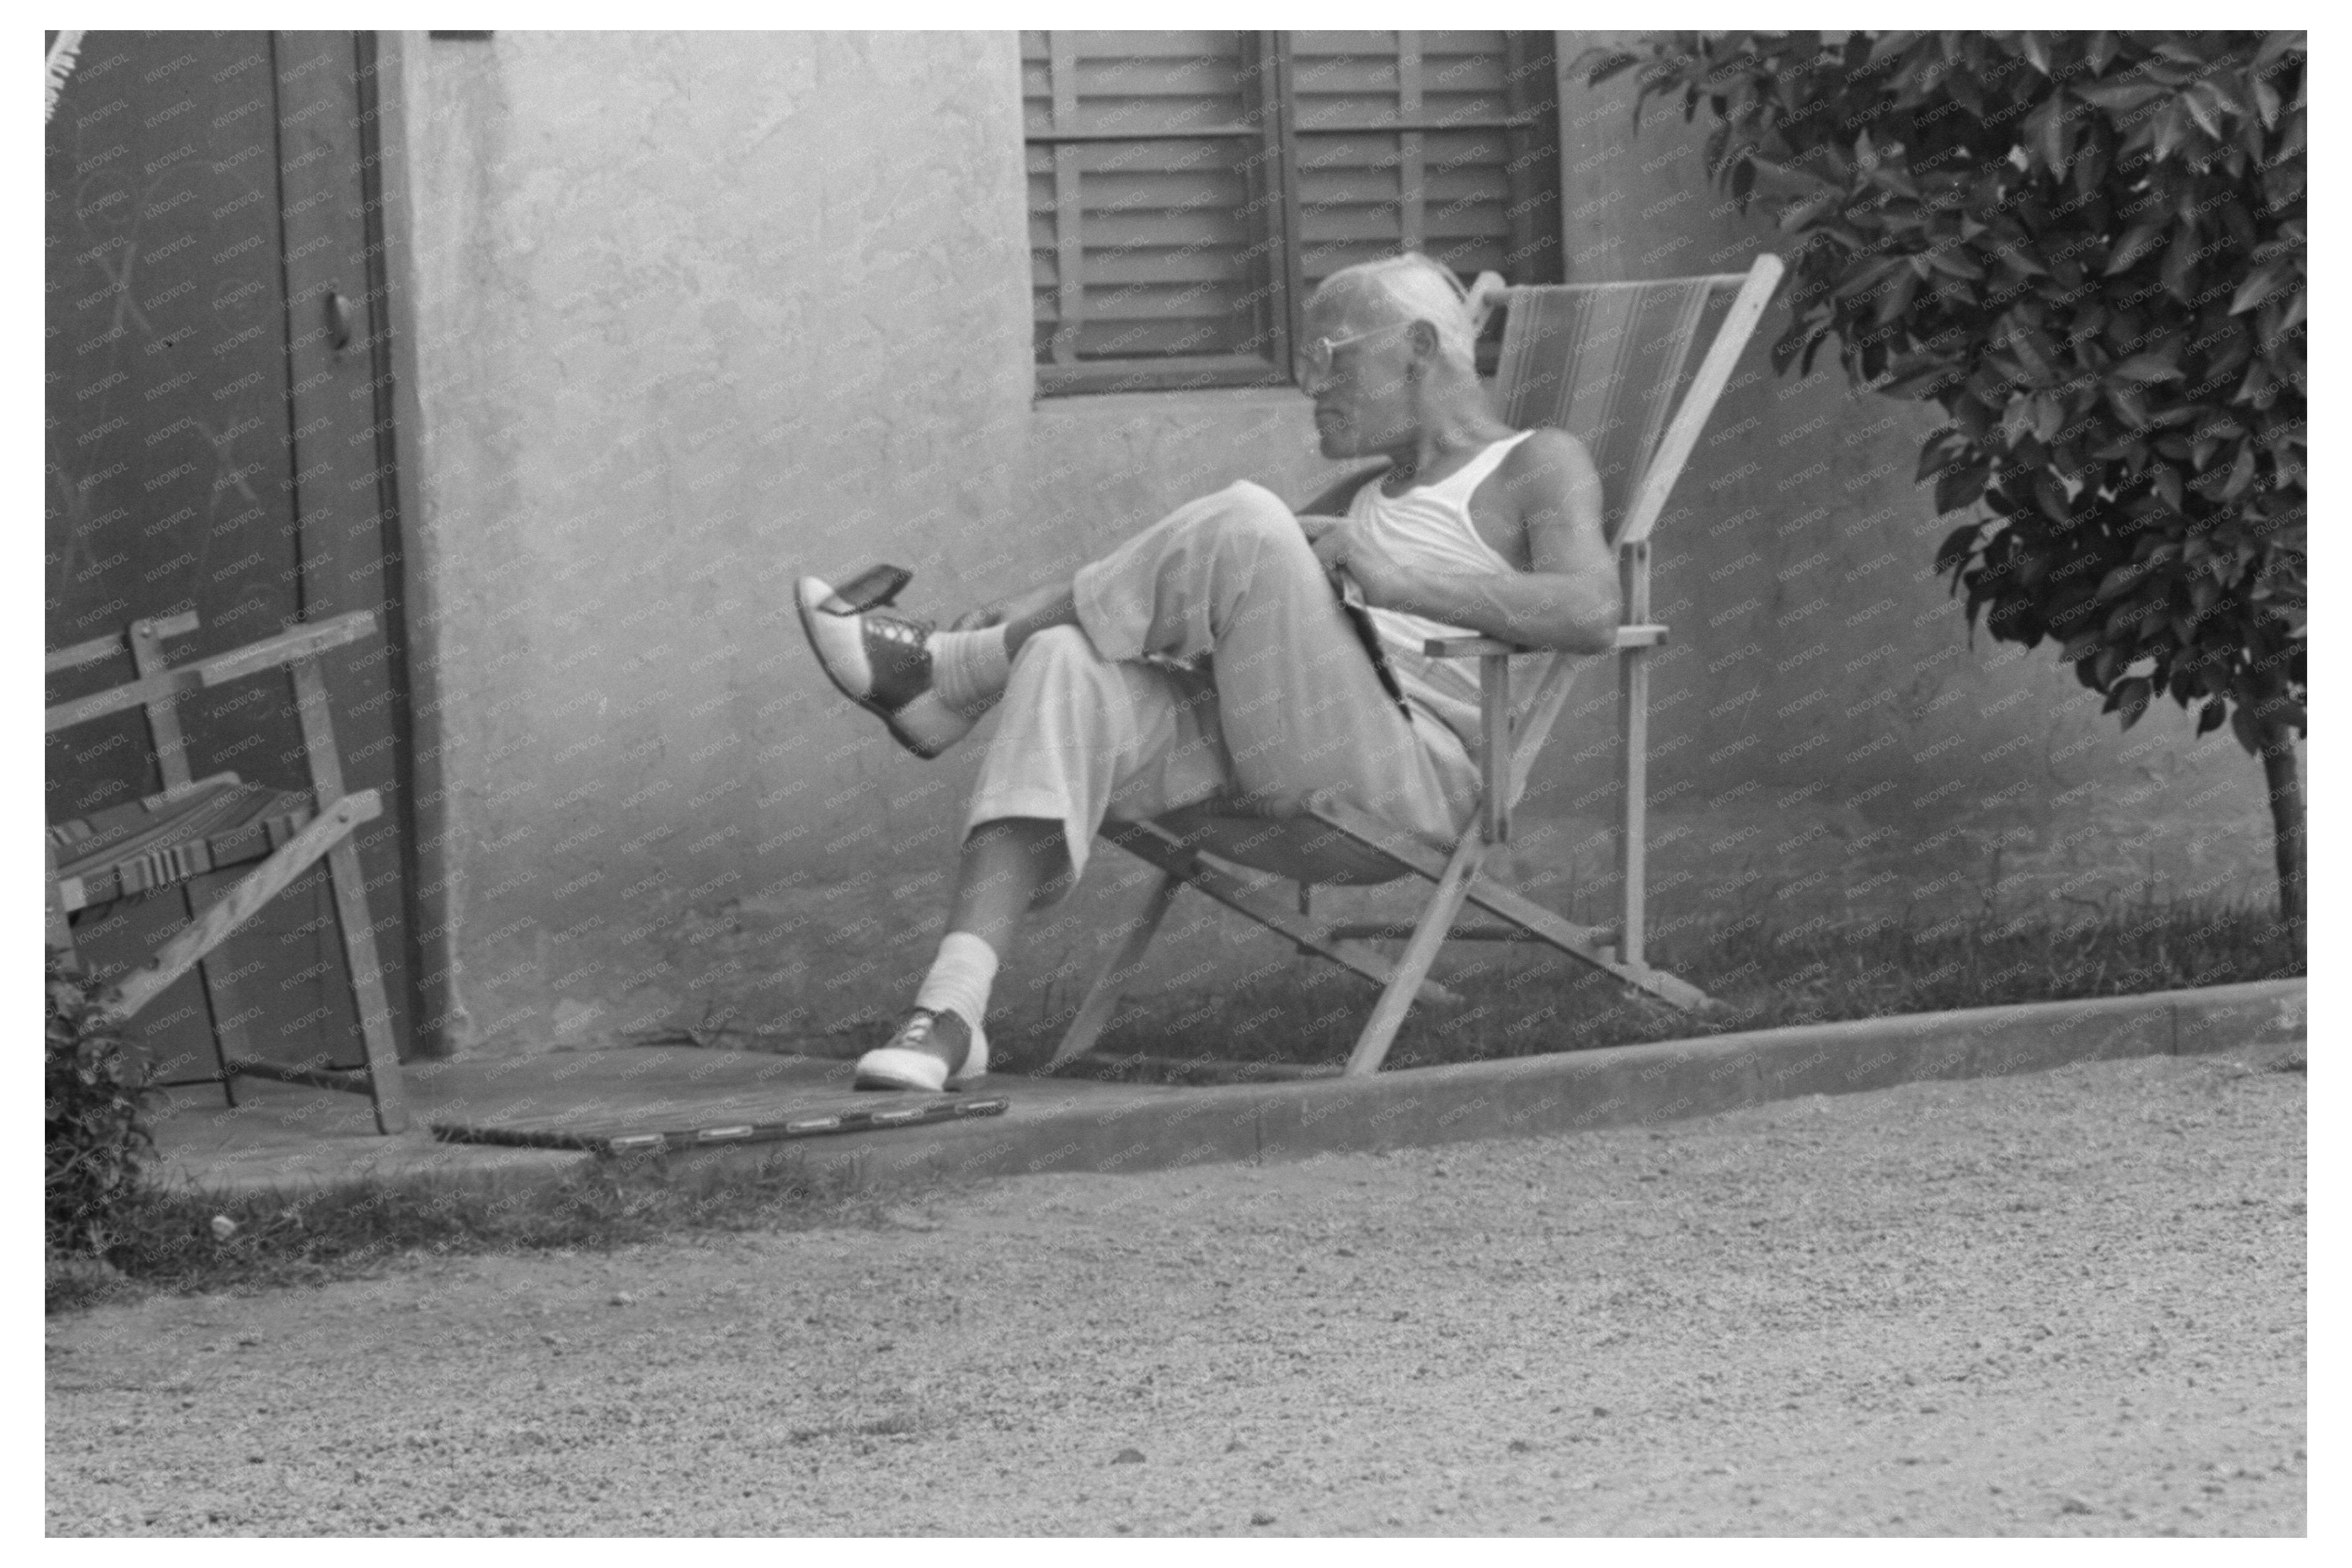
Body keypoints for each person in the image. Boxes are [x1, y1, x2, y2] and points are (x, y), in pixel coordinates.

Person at [797, 253, 1621, 1091]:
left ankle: (956, 676)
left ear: (1416, 348)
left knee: (1251, 517)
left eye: (1330, 357)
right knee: (1062, 659)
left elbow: (1593, 611)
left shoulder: (1536, 463)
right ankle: (952, 1013)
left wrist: (1400, 580)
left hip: (1418, 781)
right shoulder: (1359, 496)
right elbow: (1207, 567)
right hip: (1286, 757)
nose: (1312, 386)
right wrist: (1032, 607)